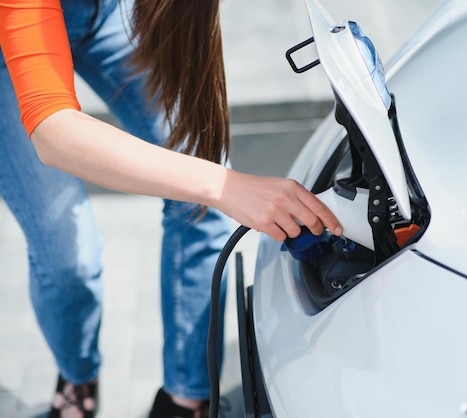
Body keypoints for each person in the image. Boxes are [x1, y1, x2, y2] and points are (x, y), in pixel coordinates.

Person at [0, 0, 342, 417]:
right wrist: (224, 185)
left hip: (106, 13)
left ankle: (184, 401)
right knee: (68, 259)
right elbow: (54, 133)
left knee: (204, 209)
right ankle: (77, 379)